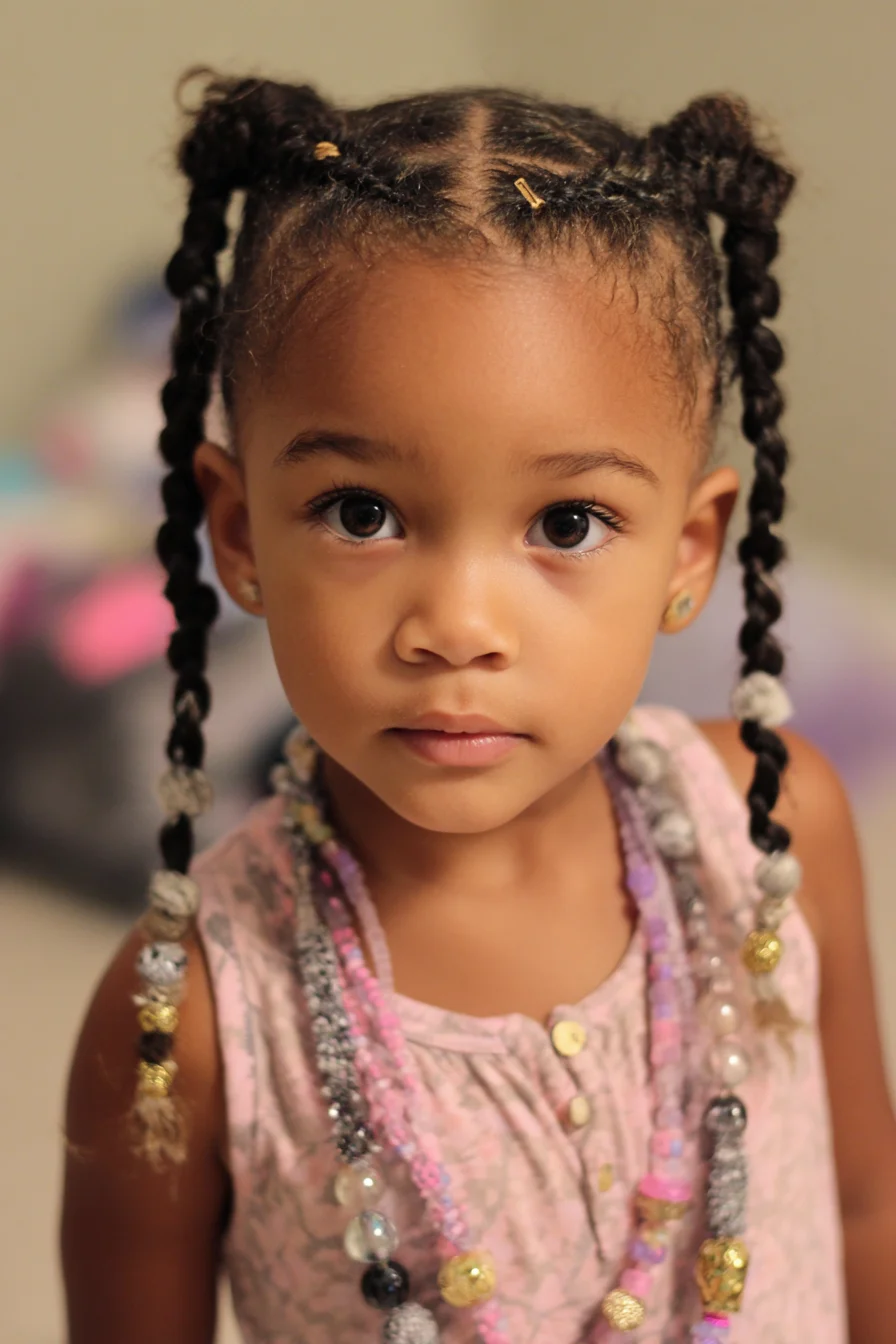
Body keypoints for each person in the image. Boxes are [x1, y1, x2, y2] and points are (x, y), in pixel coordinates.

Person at [60, 73, 896, 1344]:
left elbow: (859, 1207)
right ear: (236, 533)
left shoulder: (770, 838)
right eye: (360, 512)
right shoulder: (191, 1019)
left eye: (565, 523)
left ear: (686, 553)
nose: (455, 624)